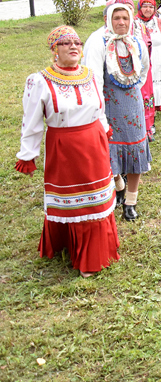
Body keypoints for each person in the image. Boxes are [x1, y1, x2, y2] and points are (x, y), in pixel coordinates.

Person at [16, 26, 120, 277]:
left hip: (93, 143)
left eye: (77, 42)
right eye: (65, 43)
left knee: (95, 201)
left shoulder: (92, 75)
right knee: (73, 201)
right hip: (64, 147)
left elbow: (100, 110)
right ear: (54, 50)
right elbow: (31, 122)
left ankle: (93, 253)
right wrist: (27, 154)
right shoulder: (40, 81)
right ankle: (67, 243)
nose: (73, 46)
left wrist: (105, 130)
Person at [82, 0, 152, 222]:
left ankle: (131, 201)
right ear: (108, 20)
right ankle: (118, 184)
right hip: (107, 105)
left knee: (135, 152)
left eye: (125, 18)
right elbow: (93, 77)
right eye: (116, 18)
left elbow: (143, 72)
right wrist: (100, 109)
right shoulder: (98, 42)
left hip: (133, 105)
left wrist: (130, 92)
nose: (121, 22)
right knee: (107, 153)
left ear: (131, 20)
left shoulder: (136, 43)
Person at [136, 0, 161, 140]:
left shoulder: (159, 22)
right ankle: (141, 121)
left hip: (157, 57)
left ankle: (152, 122)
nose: (148, 9)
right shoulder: (134, 24)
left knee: (155, 89)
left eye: (151, 7)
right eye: (145, 6)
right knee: (144, 90)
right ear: (139, 8)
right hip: (141, 60)